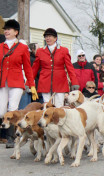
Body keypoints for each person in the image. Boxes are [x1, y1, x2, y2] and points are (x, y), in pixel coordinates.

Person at [0, 19, 38, 148]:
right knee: (1, 111)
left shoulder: (22, 48)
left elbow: (28, 68)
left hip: (16, 82)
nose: (6, 31)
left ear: (16, 32)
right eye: (5, 29)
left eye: (9, 29)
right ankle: (7, 135)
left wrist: (31, 85)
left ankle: (11, 138)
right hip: (2, 81)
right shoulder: (1, 46)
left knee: (13, 109)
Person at [32, 28, 79, 107]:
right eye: (46, 36)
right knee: (47, 106)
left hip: (60, 82)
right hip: (45, 82)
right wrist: (29, 83)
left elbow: (69, 68)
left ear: (55, 38)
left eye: (50, 36)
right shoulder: (40, 51)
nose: (48, 38)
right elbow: (34, 68)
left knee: (59, 106)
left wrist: (74, 82)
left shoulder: (63, 50)